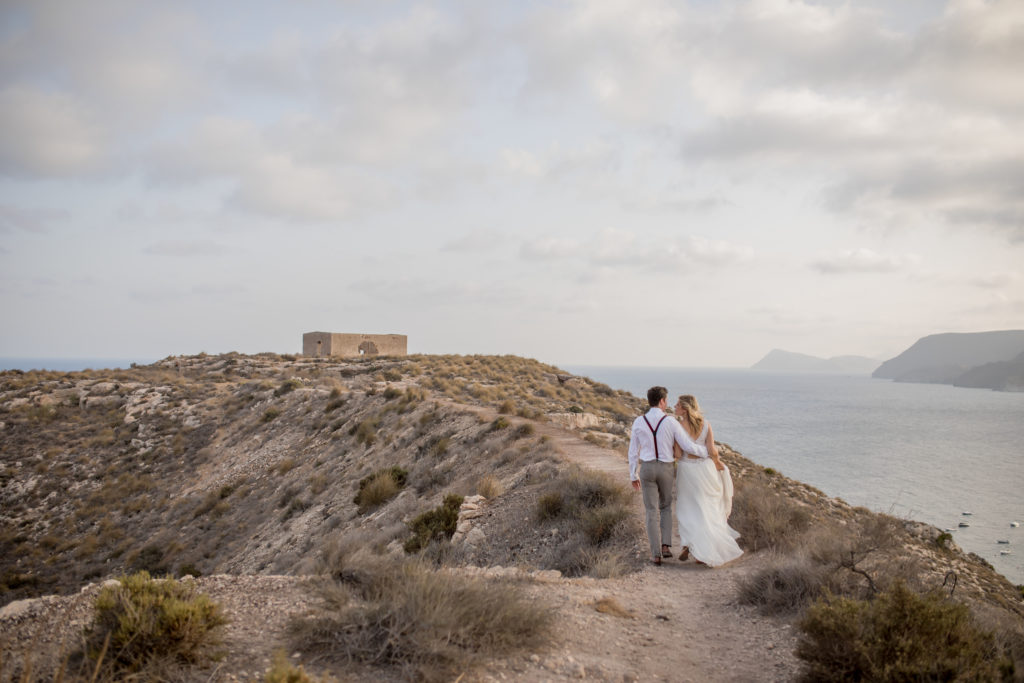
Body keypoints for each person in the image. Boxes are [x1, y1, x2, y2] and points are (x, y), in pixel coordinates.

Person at [628, 386, 704, 565]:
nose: (667, 403)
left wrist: (633, 474)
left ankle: (655, 554)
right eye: (666, 400)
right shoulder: (670, 422)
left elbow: (632, 451)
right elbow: (686, 445)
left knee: (651, 511)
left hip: (646, 469)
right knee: (666, 507)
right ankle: (666, 546)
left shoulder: (639, 421)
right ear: (662, 401)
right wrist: (706, 452)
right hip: (666, 468)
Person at [672, 394, 742, 567]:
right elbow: (712, 450)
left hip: (687, 470)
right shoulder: (706, 424)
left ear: (685, 409)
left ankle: (691, 544)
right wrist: (717, 464)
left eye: (678, 404)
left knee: (688, 509)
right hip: (705, 469)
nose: (675, 406)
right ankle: (702, 552)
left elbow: (679, 454)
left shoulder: (679, 426)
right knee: (707, 508)